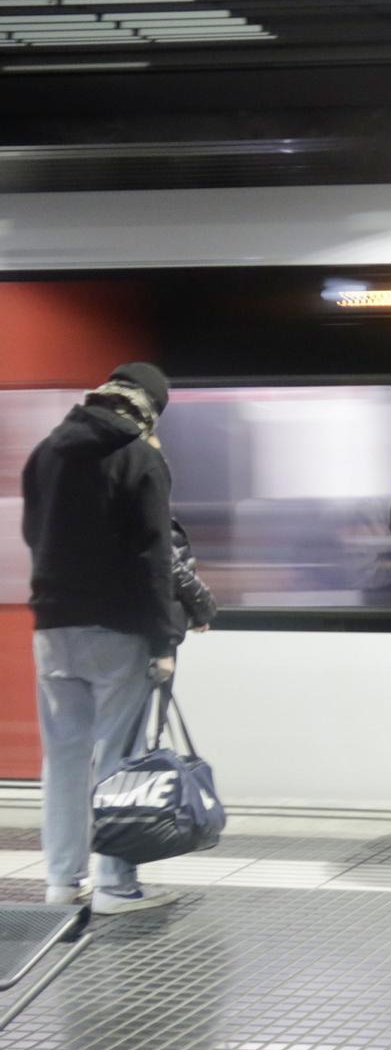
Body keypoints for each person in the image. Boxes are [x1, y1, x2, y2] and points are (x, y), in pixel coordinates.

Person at [21, 362, 185, 915]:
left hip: (51, 626)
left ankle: (63, 881)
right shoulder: (141, 458)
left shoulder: (46, 452)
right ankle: (117, 883)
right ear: (148, 409)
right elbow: (154, 559)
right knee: (119, 757)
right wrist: (164, 642)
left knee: (63, 758)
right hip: (116, 630)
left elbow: (31, 533)